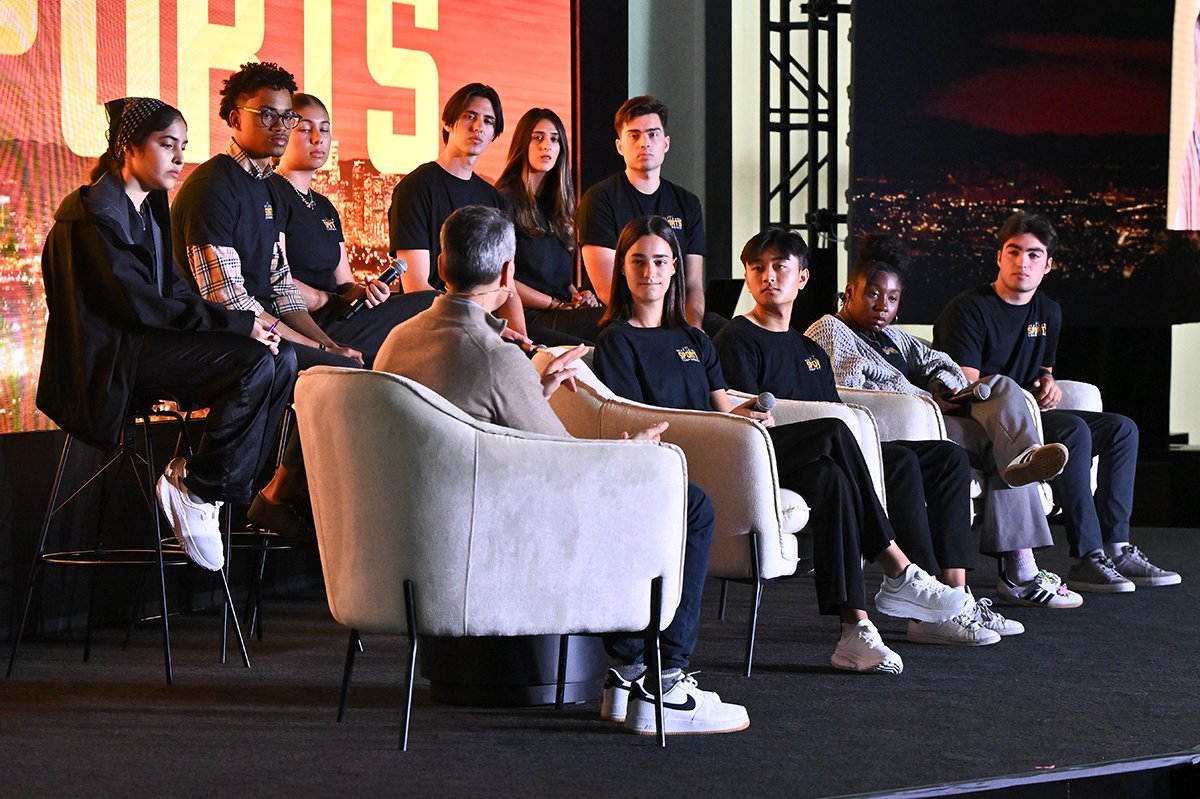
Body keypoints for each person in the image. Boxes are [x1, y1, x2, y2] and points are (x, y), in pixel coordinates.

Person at [374, 205, 749, 735]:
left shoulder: (398, 338)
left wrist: (537, 390)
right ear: (508, 274)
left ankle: (629, 674)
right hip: (490, 530)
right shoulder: (493, 353)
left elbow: (478, 420)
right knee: (685, 501)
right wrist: (632, 451)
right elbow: (565, 462)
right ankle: (662, 681)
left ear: (441, 262)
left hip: (424, 526)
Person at [593, 216, 972, 674]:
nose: (649, 271)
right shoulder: (617, 340)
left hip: (731, 448)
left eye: (658, 260)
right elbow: (633, 417)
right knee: (833, 431)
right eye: (637, 261)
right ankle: (897, 568)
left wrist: (746, 414)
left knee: (830, 476)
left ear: (675, 266)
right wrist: (727, 428)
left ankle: (855, 630)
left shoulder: (695, 339)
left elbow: (722, 409)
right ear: (622, 269)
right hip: (683, 460)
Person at [715, 228, 1024, 641]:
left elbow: (834, 407)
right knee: (876, 453)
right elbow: (741, 406)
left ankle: (954, 597)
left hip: (830, 443)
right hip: (780, 455)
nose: (768, 276)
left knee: (945, 457)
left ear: (802, 278)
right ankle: (910, 584)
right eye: (758, 268)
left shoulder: (808, 350)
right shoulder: (736, 337)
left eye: (779, 267)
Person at [37, 97, 294, 571]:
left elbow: (178, 290)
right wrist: (238, 325)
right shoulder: (92, 217)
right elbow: (143, 307)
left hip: (147, 347)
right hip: (114, 362)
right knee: (254, 360)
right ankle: (198, 486)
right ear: (128, 148)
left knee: (282, 358)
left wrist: (251, 325)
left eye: (183, 147)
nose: (179, 158)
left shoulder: (150, 208)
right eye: (166, 145)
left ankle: (221, 487)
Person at [806, 231, 1084, 610]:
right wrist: (921, 395)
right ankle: (1021, 570)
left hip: (938, 412)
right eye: (872, 294)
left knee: (1001, 390)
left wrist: (943, 384)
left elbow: (940, 361)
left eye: (892, 298)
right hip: (905, 425)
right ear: (849, 292)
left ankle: (1026, 455)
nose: (882, 305)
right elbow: (845, 382)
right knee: (1003, 452)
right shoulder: (831, 328)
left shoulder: (893, 337)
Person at [934, 211, 1180, 592]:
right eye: (1013, 252)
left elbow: (1042, 367)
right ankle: (1086, 557)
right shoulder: (968, 309)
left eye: (1033, 255)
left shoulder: (1048, 311)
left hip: (1032, 412)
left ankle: (1116, 547)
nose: (1022, 262)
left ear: (1048, 265)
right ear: (999, 257)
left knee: (1122, 429)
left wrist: (1048, 382)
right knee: (1073, 430)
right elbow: (969, 386)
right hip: (988, 417)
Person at [172, 61, 357, 538]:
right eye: (267, 116)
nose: (281, 127)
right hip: (215, 340)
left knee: (348, 364)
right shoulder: (213, 187)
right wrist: (313, 347)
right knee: (325, 370)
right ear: (234, 119)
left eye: (285, 117)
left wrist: (327, 344)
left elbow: (279, 287)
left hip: (259, 335)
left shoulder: (265, 188)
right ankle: (224, 491)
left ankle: (277, 494)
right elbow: (227, 298)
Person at [272, 92, 432, 365]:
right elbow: (276, 281)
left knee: (435, 304)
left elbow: (344, 282)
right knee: (430, 311)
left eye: (324, 129)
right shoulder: (271, 193)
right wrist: (329, 299)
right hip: (302, 322)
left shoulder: (324, 206)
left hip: (339, 313)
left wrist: (364, 291)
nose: (317, 138)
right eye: (305, 129)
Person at [387, 82, 529, 341]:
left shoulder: (493, 198)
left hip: (488, 326)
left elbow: (507, 287)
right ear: (448, 123)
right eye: (470, 116)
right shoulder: (416, 187)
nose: (478, 127)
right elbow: (416, 286)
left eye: (488, 121)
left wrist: (525, 344)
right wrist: (486, 327)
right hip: (436, 325)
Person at [577, 96, 707, 330]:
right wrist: (654, 326)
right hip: (621, 318)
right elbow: (606, 287)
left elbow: (693, 283)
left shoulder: (688, 203)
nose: (644, 143)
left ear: (665, 143)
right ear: (620, 146)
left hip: (674, 316)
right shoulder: (599, 199)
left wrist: (693, 330)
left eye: (653, 134)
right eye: (634, 135)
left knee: (720, 333)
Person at [495, 107, 603, 342]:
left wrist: (577, 297)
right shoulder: (504, 200)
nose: (547, 146)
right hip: (525, 316)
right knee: (613, 324)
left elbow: (558, 280)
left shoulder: (558, 208)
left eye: (554, 139)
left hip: (558, 312)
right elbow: (501, 279)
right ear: (523, 143)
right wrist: (555, 304)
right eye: (538, 138)